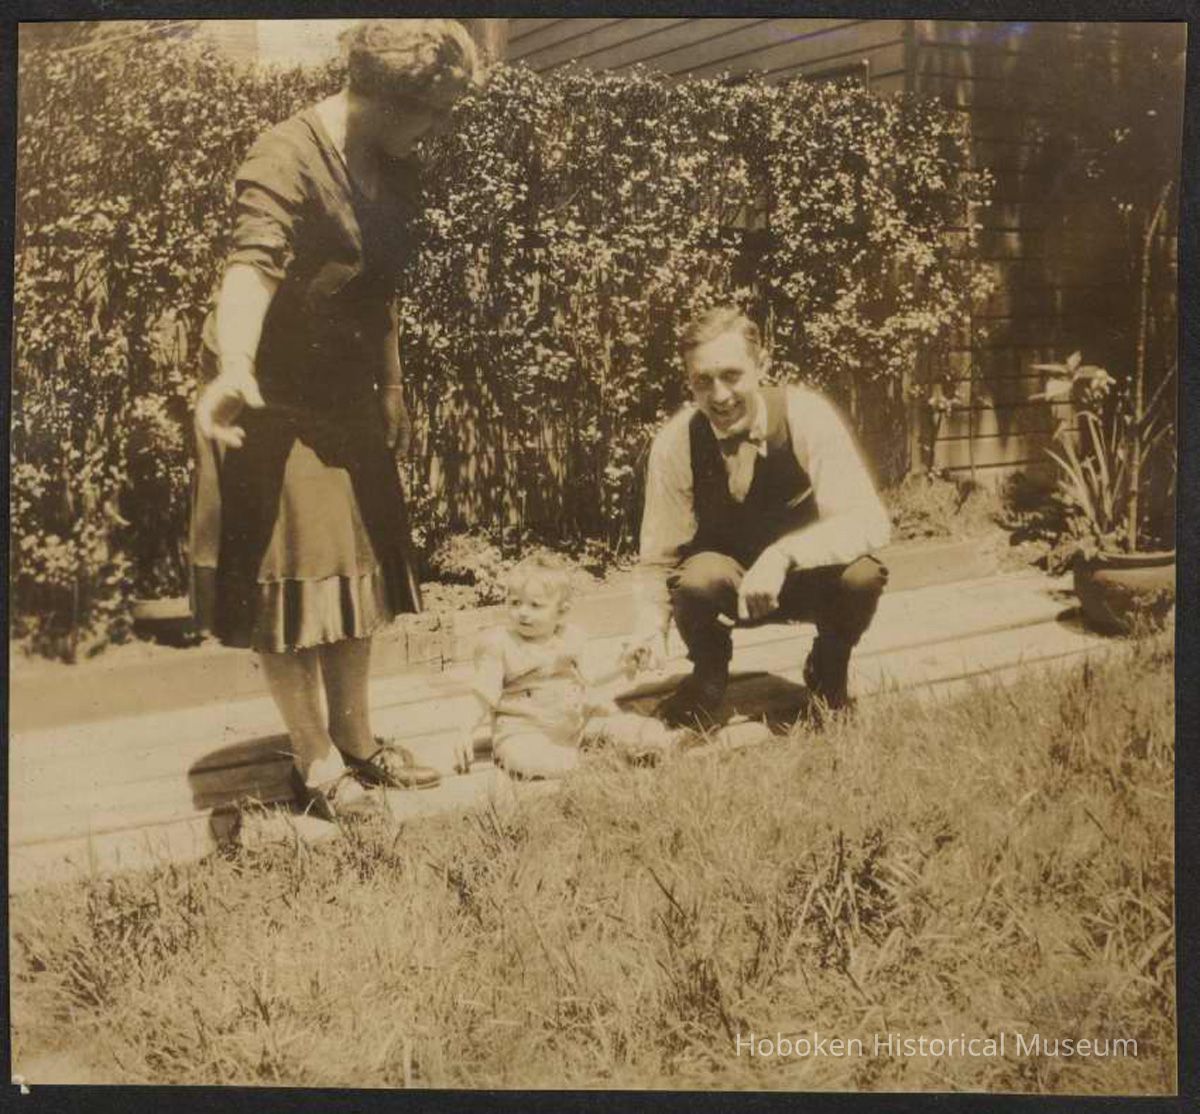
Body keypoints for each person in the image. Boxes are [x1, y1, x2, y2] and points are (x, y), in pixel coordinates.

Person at [191, 20, 483, 821]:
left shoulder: (394, 163)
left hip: (346, 389)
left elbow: (379, 291)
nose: (439, 129)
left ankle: (356, 739)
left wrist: (393, 386)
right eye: (434, 112)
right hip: (265, 396)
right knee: (288, 583)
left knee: (356, 572)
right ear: (385, 99)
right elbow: (251, 267)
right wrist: (236, 365)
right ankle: (313, 761)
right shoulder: (283, 156)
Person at [622, 306, 891, 728]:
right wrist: (649, 628)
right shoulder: (676, 442)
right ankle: (708, 676)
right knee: (696, 579)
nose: (719, 396)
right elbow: (658, 557)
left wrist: (784, 555)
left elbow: (868, 521)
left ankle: (829, 667)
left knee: (863, 575)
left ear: (762, 365)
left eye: (731, 375)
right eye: (702, 381)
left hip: (803, 580)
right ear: (688, 381)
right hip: (726, 586)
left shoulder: (806, 415)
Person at [454, 555, 681, 780]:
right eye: (515, 602)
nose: (522, 612)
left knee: (622, 724)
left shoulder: (570, 637)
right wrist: (465, 730)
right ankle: (588, 764)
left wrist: (623, 663)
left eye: (535, 605)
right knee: (523, 757)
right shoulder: (501, 645)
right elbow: (482, 695)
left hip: (576, 723)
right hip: (524, 731)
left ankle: (649, 741)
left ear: (561, 611)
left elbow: (593, 675)